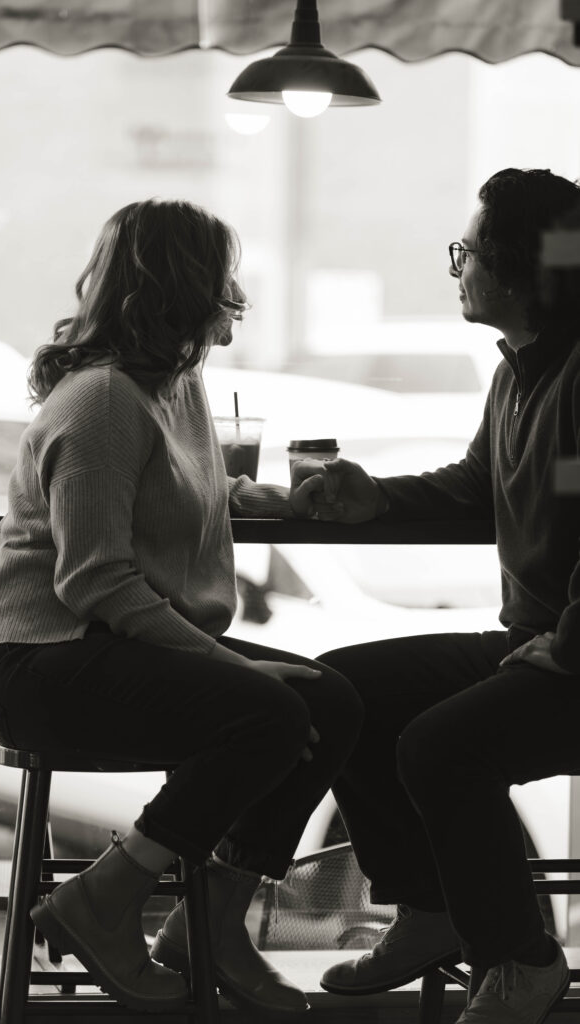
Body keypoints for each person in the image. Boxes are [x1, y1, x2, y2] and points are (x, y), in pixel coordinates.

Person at [0, 198, 362, 1014]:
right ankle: (102, 900)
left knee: (334, 702)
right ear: (182, 289)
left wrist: (274, 499)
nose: (234, 296)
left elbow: (180, 490)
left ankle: (206, 921)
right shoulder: (101, 401)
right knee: (271, 711)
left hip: (103, 646)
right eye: (222, 279)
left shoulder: (172, 386)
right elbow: (96, 580)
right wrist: (232, 662)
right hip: (39, 660)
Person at [294, 168, 580, 1024]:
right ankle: (428, 909)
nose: (456, 268)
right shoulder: (520, 371)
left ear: (514, 267)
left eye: (466, 251)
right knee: (341, 688)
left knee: (438, 748)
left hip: (567, 654)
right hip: (538, 644)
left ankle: (521, 959)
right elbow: (470, 484)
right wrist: (371, 496)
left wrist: (565, 646)